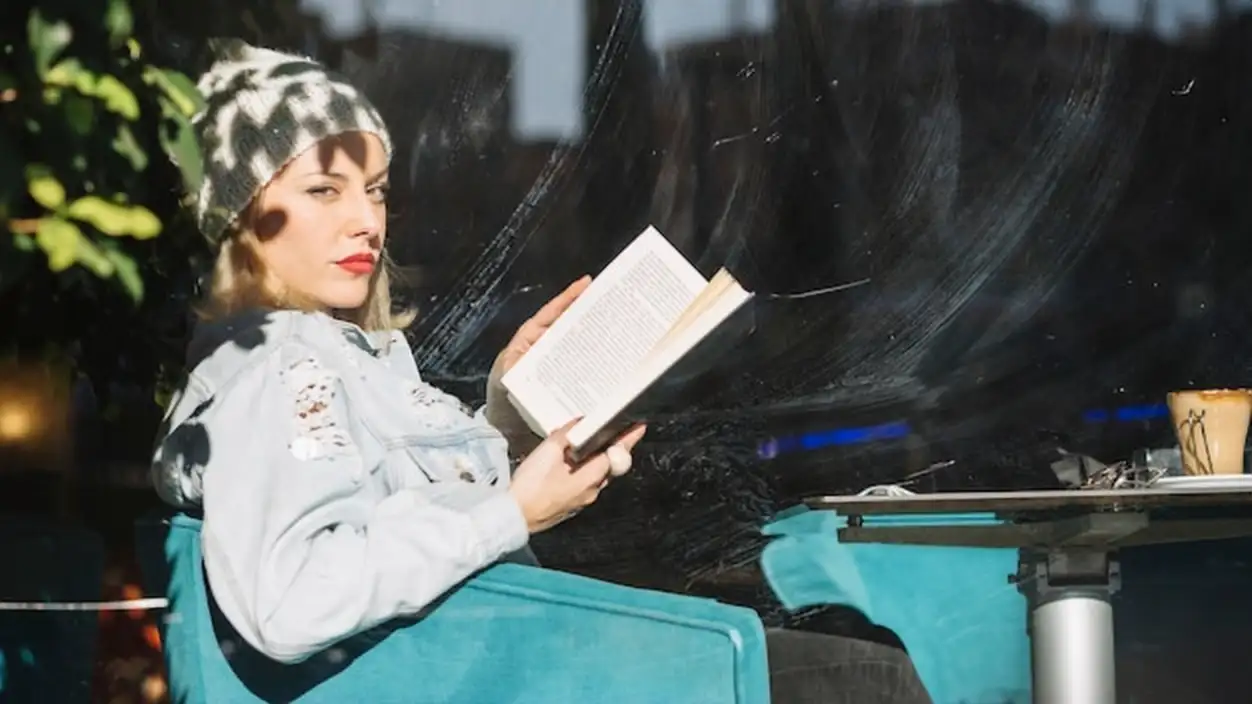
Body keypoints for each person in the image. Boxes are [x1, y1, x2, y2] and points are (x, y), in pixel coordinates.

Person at [151, 42, 932, 703]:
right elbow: (295, 600)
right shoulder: (281, 375)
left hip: (514, 657)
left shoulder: (325, 357)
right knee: (868, 677)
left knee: (849, 647)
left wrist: (507, 419)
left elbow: (374, 507)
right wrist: (515, 511)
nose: (366, 219)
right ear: (241, 213)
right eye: (324, 190)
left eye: (376, 190)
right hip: (505, 668)